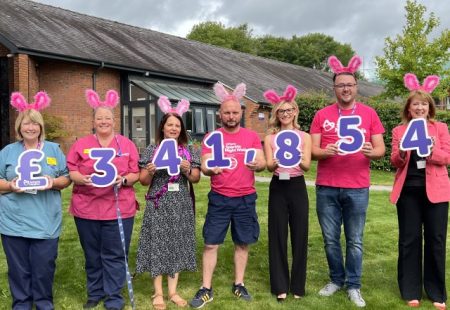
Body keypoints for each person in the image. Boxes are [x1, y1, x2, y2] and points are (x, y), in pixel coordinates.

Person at [310, 55, 385, 308]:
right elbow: (312, 151)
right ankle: (336, 280)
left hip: (357, 186)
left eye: (349, 85)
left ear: (356, 87)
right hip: (327, 186)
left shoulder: (369, 113)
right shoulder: (321, 114)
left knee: (355, 240)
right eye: (341, 85)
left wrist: (368, 151)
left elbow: (380, 149)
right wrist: (325, 151)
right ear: (334, 88)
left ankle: (354, 285)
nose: (345, 88)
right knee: (330, 238)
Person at [189, 82, 266, 308]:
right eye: (227, 113)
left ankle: (239, 284)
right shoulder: (211, 138)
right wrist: (209, 169)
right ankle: (206, 288)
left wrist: (258, 165)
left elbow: (261, 161)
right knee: (211, 243)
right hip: (220, 198)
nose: (231, 116)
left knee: (242, 243)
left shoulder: (251, 136)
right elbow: (204, 166)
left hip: (245, 197)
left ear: (240, 112)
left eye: (235, 112)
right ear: (219, 115)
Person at [66, 89, 139, 310]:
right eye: (99, 118)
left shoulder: (126, 145)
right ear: (93, 121)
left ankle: (113, 297)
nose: (104, 122)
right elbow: (71, 171)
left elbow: (135, 173)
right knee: (92, 254)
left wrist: (124, 180)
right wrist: (82, 178)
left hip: (119, 208)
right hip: (87, 208)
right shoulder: (81, 144)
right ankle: (95, 292)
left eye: (107, 118)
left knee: (116, 254)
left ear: (114, 120)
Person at [0, 91, 71, 309]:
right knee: (18, 270)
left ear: (41, 127)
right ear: (19, 127)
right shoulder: (7, 151)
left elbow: (66, 178)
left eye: (35, 124)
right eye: (26, 124)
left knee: (43, 268)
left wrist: (53, 182)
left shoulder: (53, 150)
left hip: (46, 222)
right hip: (14, 223)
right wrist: (11, 186)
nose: (30, 128)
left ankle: (43, 304)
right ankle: (21, 304)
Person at [390, 73, 450, 310]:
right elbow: (395, 159)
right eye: (415, 103)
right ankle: (410, 290)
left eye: (424, 103)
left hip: (436, 191)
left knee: (436, 240)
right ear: (409, 108)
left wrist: (432, 152)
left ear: (430, 107)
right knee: (409, 240)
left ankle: (436, 292)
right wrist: (403, 153)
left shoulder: (441, 128)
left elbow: (447, 157)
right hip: (409, 192)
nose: (420, 107)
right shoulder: (399, 131)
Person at [136, 96, 201, 310]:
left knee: (176, 243)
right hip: (158, 204)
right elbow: (143, 182)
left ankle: (173, 291)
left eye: (177, 125)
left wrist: (187, 169)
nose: (173, 128)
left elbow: (196, 178)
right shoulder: (152, 150)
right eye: (169, 124)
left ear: (181, 129)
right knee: (158, 244)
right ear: (162, 127)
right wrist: (149, 170)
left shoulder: (189, 151)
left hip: (180, 203)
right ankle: (158, 293)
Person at [263, 85, 311, 302]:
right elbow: (269, 167)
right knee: (277, 235)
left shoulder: (304, 136)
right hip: (278, 187)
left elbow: (308, 166)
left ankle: (298, 285)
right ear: (277, 114)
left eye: (289, 110)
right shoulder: (270, 138)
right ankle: (280, 285)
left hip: (297, 185)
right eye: (281, 111)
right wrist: (273, 162)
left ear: (295, 112)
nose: (285, 114)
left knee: (300, 235)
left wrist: (297, 157)